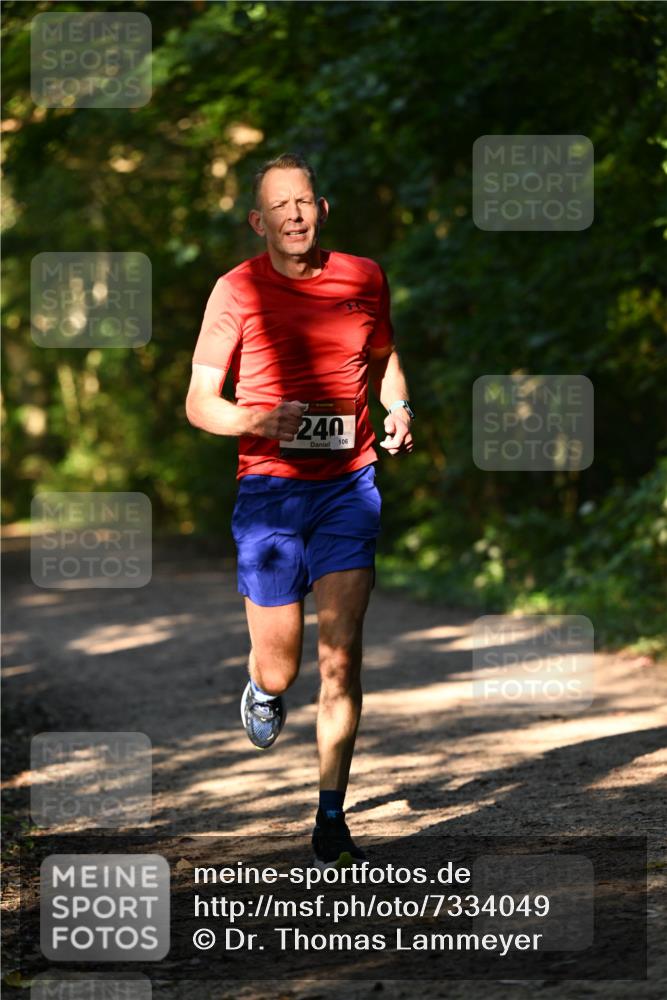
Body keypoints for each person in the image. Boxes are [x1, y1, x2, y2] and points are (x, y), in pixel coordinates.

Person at [186, 152, 413, 868]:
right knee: (283, 670)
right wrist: (256, 420)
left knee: (340, 659)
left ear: (321, 210)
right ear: (259, 221)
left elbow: (383, 357)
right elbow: (198, 403)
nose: (293, 215)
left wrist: (397, 404)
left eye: (304, 202)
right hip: (269, 494)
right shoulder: (235, 291)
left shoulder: (363, 277)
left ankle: (329, 815)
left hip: (350, 484)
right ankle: (261, 686)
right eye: (278, 206)